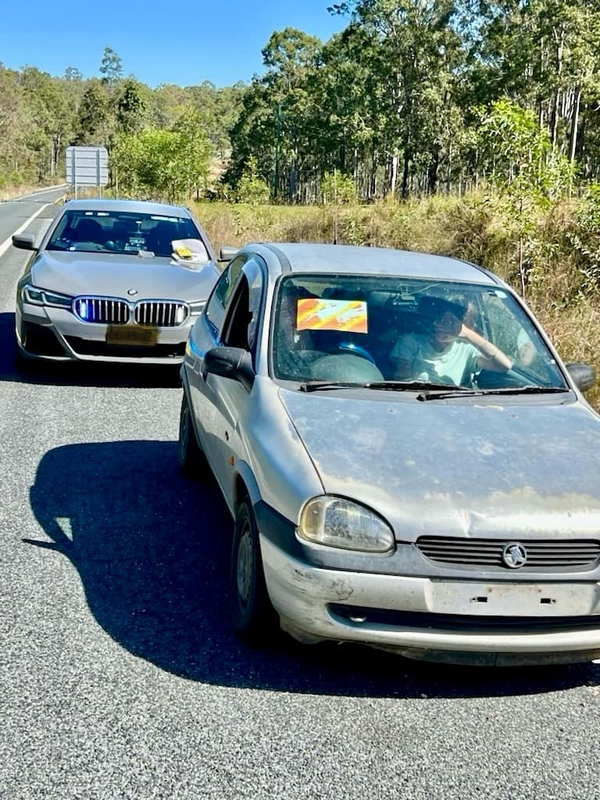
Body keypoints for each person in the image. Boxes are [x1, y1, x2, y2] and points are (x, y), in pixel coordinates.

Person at [391, 296, 512, 386]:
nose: (443, 325)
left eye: (451, 322)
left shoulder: (466, 349)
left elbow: (504, 365)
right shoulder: (411, 342)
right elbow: (402, 379)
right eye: (441, 319)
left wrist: (467, 334)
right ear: (433, 320)